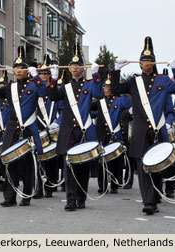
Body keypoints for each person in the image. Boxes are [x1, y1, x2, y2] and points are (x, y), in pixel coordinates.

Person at [111, 36, 175, 215]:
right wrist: (115, 70)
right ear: (139, 63)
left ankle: (155, 195)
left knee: (158, 165)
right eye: (144, 60)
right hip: (140, 131)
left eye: (150, 60)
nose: (147, 63)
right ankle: (148, 202)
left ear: (153, 63)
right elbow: (114, 90)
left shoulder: (163, 80)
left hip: (158, 128)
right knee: (143, 166)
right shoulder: (133, 81)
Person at [0, 46, 47, 207]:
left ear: (27, 70)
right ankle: (9, 197)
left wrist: (37, 76)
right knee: (9, 163)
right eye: (16, 68)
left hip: (28, 128)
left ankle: (26, 195)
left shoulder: (34, 85)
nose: (18, 71)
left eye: (22, 68)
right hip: (12, 129)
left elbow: (44, 92)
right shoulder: (9, 87)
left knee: (28, 165)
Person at [50, 43, 103, 211]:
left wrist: (96, 75)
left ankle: (82, 197)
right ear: (70, 68)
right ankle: (71, 200)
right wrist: (53, 78)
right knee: (70, 166)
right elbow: (52, 97)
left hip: (85, 130)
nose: (75, 68)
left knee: (83, 166)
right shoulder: (65, 87)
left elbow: (99, 94)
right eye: (72, 66)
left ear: (83, 68)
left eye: (78, 65)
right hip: (69, 132)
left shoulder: (89, 84)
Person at [92, 72, 131, 194]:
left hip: (115, 134)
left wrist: (123, 89)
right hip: (102, 134)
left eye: (109, 87)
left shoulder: (119, 100)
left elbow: (126, 104)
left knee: (115, 161)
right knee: (101, 162)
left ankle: (114, 185)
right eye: (105, 87)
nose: (107, 89)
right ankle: (102, 185)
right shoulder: (99, 102)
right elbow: (87, 108)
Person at [33, 54, 63, 198]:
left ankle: (50, 185)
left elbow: (64, 110)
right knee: (38, 158)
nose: (43, 75)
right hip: (38, 127)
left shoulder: (57, 90)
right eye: (41, 73)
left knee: (52, 159)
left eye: (46, 73)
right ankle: (38, 187)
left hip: (54, 128)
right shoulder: (34, 90)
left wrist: (57, 123)